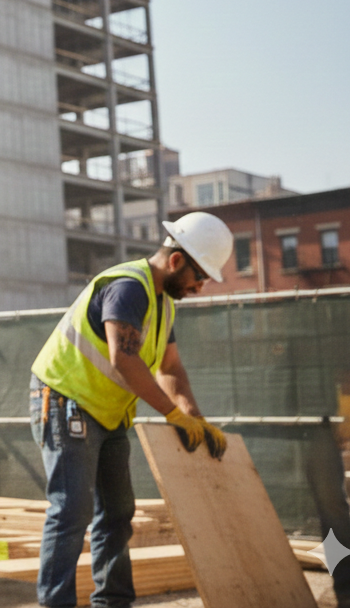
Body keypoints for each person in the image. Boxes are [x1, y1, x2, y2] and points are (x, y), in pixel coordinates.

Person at [29, 212, 234, 608]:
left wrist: (193, 414)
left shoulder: (163, 304)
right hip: (65, 399)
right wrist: (171, 415)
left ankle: (113, 602)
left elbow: (170, 367)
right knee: (72, 510)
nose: (200, 287)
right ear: (176, 261)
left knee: (119, 512)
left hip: (106, 414)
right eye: (200, 276)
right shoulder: (128, 287)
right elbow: (124, 359)